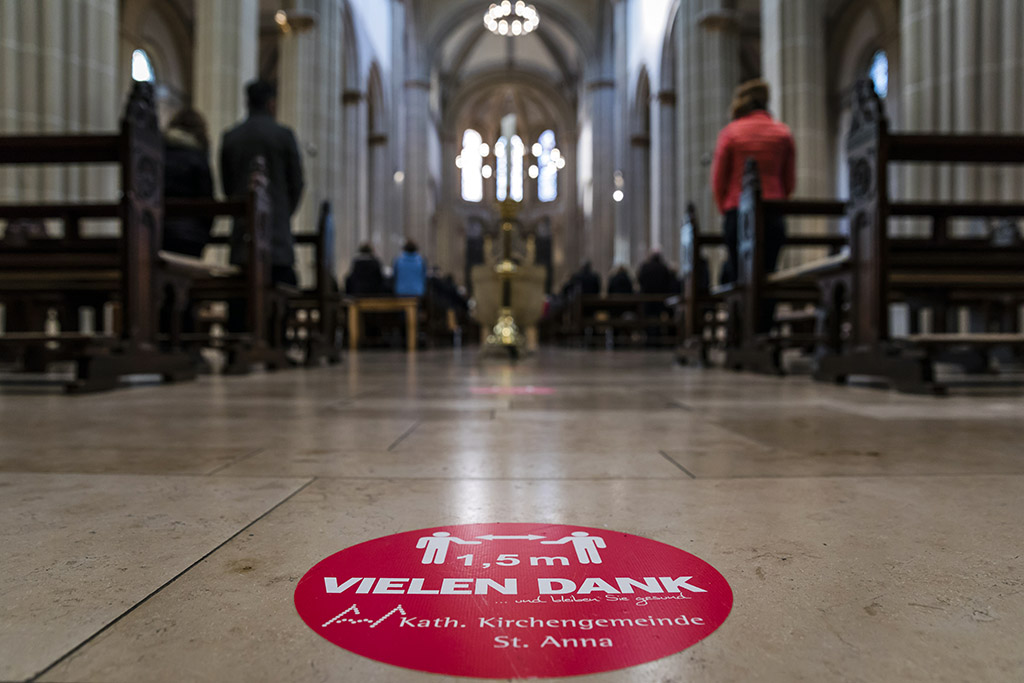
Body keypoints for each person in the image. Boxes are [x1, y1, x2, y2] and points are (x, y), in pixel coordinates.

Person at [711, 79, 795, 287]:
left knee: (740, 280)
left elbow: (718, 181)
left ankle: (741, 319)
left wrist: (728, 209)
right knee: (768, 279)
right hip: (772, 213)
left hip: (737, 214)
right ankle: (766, 319)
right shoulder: (783, 134)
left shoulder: (730, 133)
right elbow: (789, 182)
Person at [220, 80, 305, 286]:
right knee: (280, 302)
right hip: (277, 243)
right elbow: (297, 183)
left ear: (247, 103)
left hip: (243, 240)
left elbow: (228, 187)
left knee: (241, 304)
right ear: (271, 104)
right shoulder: (284, 136)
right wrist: (280, 212)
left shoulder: (231, 137)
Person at [162, 108, 214, 257]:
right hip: (191, 237)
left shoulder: (157, 155)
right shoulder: (198, 158)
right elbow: (207, 203)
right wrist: (203, 234)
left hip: (157, 233)